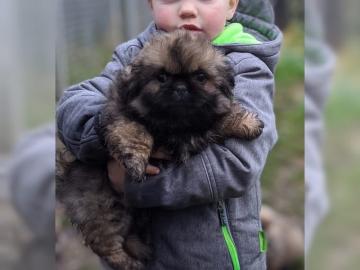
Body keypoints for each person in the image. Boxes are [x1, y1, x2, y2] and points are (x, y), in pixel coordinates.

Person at [56, 0, 282, 269]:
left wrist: (129, 183)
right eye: (162, 78)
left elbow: (237, 166)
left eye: (199, 78)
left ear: (231, 5)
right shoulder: (132, 55)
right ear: (151, 4)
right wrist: (104, 130)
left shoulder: (248, 66)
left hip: (217, 260)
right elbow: (72, 104)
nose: (187, 8)